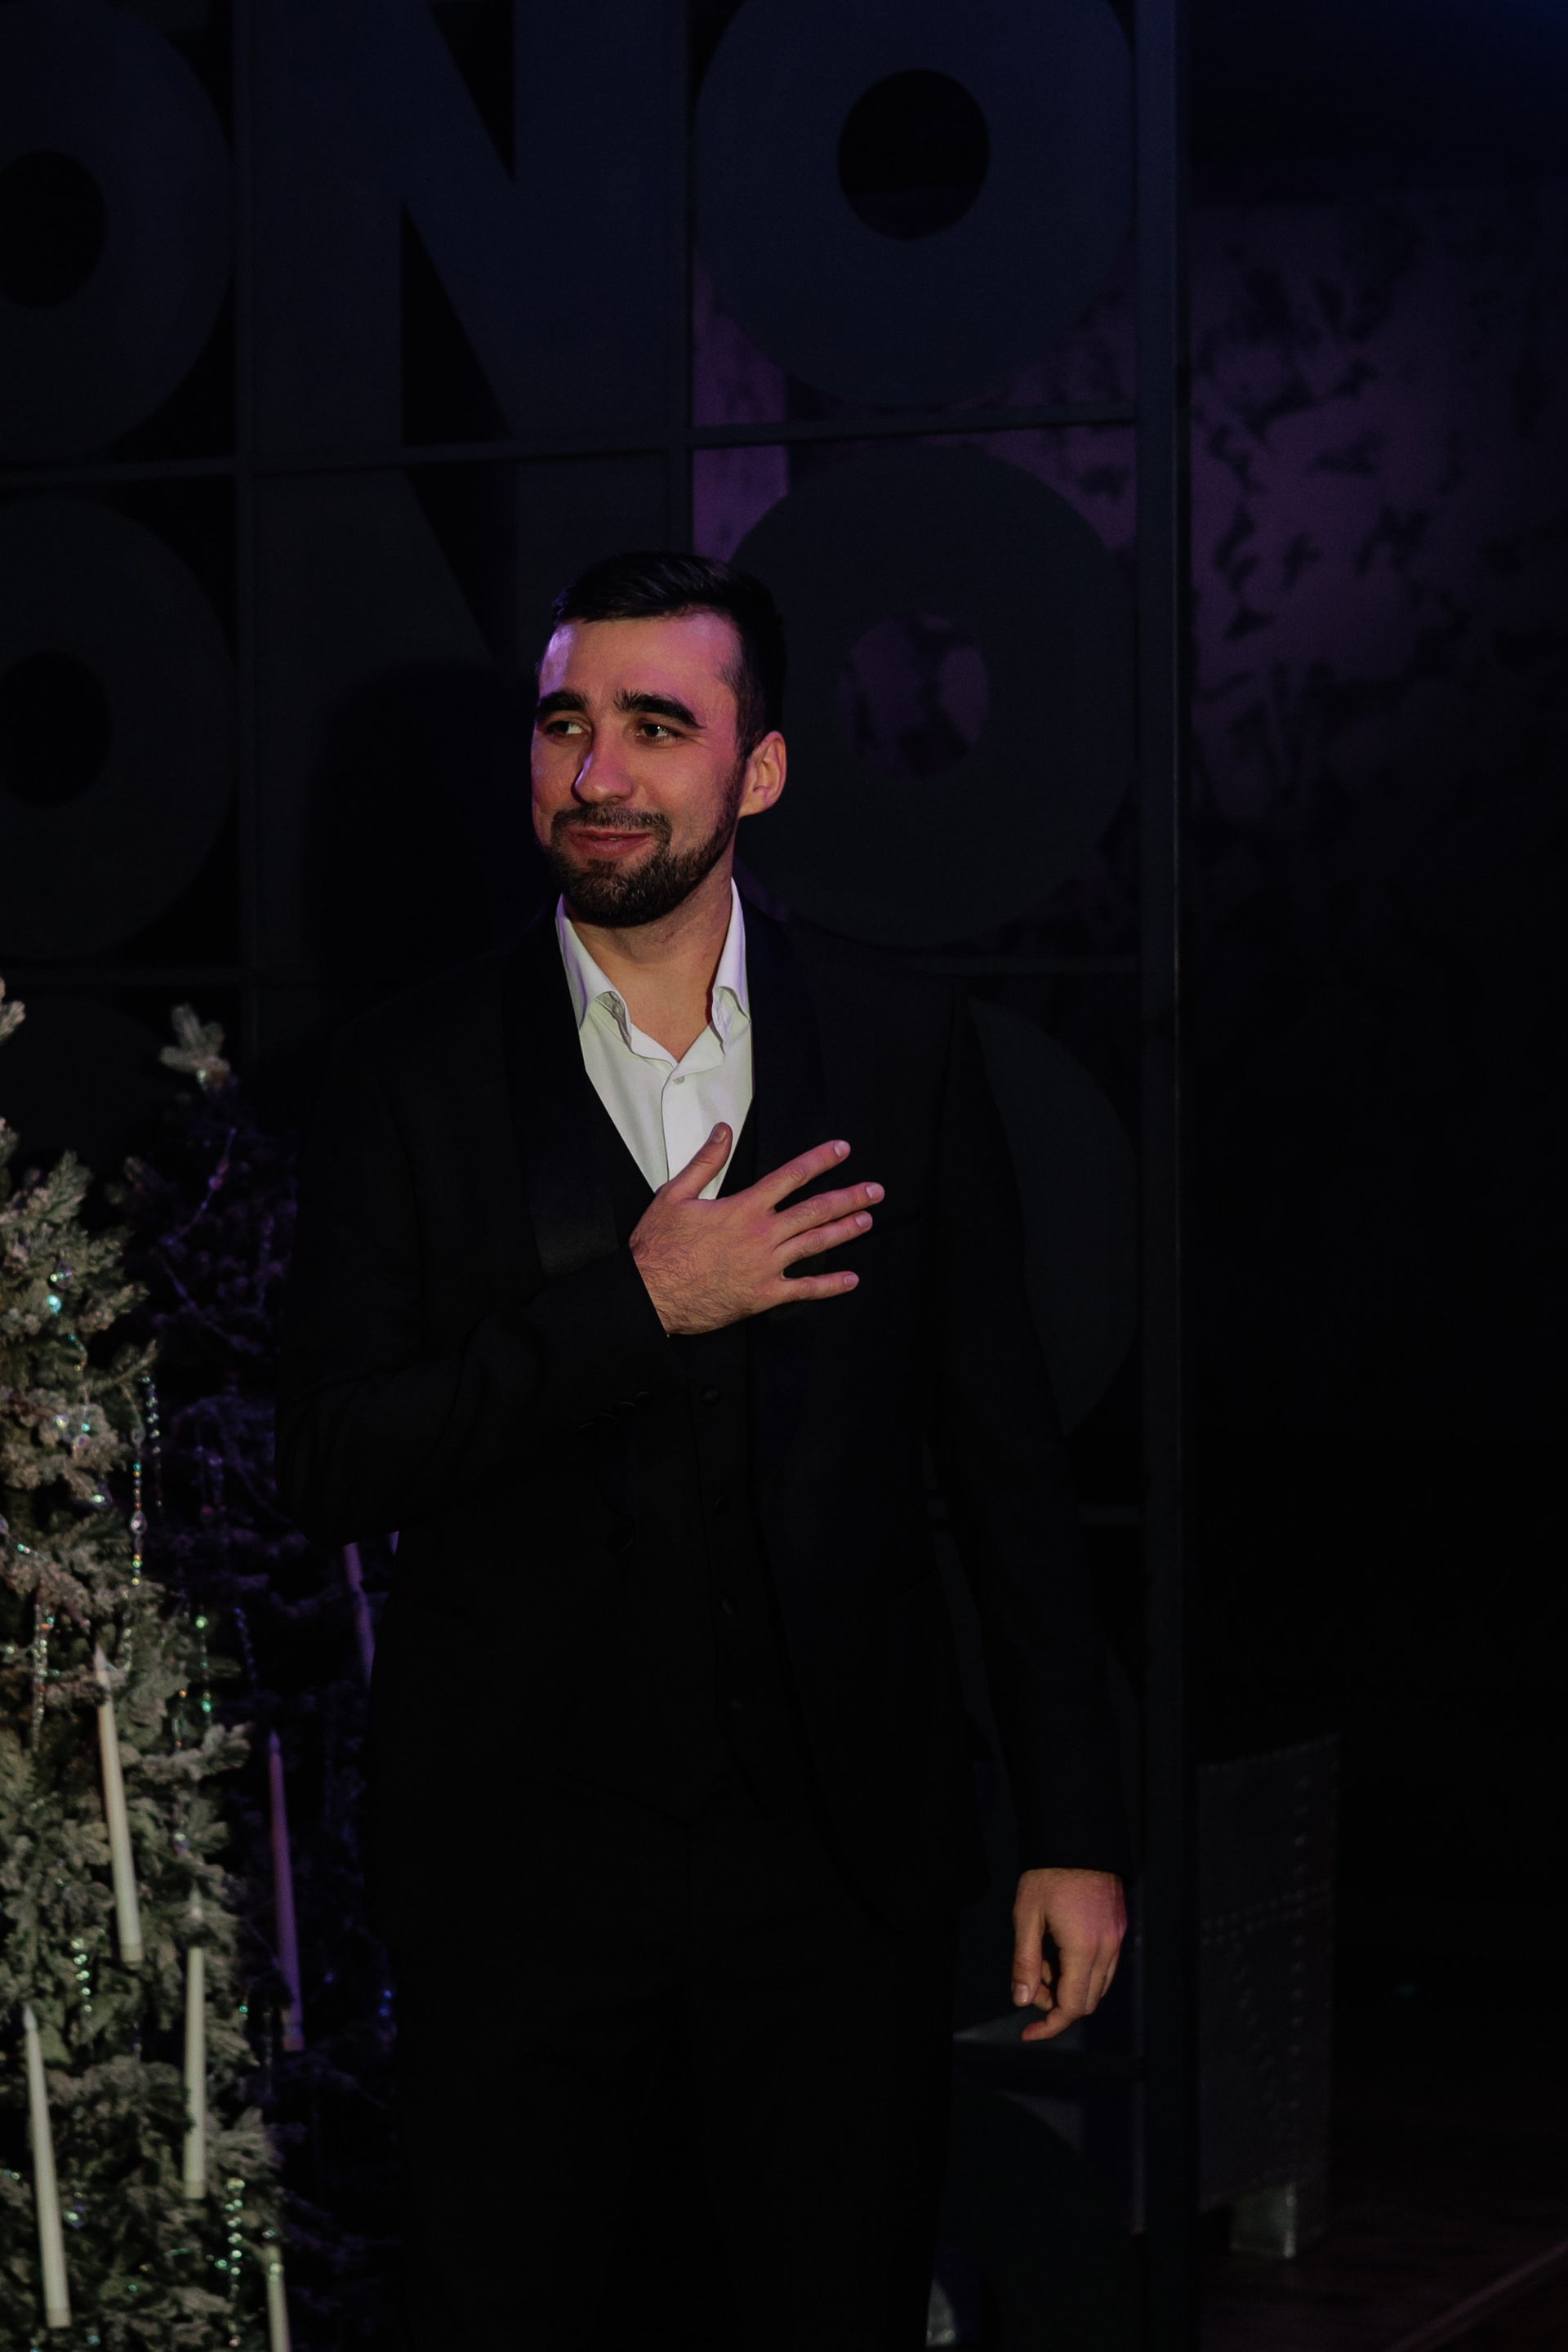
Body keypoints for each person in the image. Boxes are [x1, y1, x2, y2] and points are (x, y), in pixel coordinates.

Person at [277, 551, 1129, 2350]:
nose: (597, 772)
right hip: (519, 1883)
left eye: (657, 726)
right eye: (565, 724)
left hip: (835, 1873)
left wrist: (1072, 1830)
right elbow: (334, 1455)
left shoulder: (898, 1045)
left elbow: (1005, 1471)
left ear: (762, 768)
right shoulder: (405, 1073)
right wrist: (638, 1306)